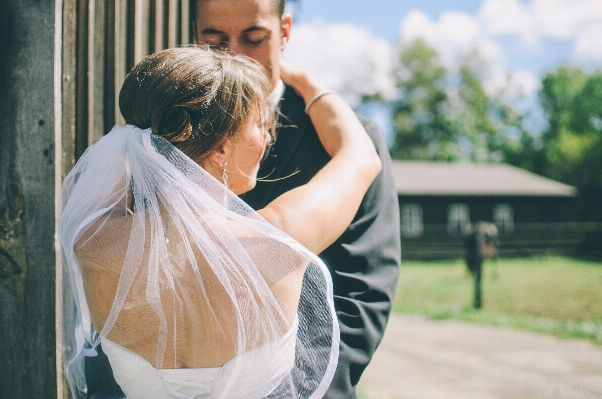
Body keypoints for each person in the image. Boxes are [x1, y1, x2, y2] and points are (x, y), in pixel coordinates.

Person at [58, 47, 381, 399]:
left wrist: (140, 140)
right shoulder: (277, 238)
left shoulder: (93, 240)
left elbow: (119, 168)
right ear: (222, 148)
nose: (268, 138)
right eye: (260, 124)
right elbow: (360, 156)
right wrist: (303, 80)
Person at [193, 1, 401, 397]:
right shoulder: (171, 133)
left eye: (254, 38)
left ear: (284, 31)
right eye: (216, 41)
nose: (235, 54)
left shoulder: (348, 140)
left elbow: (362, 294)